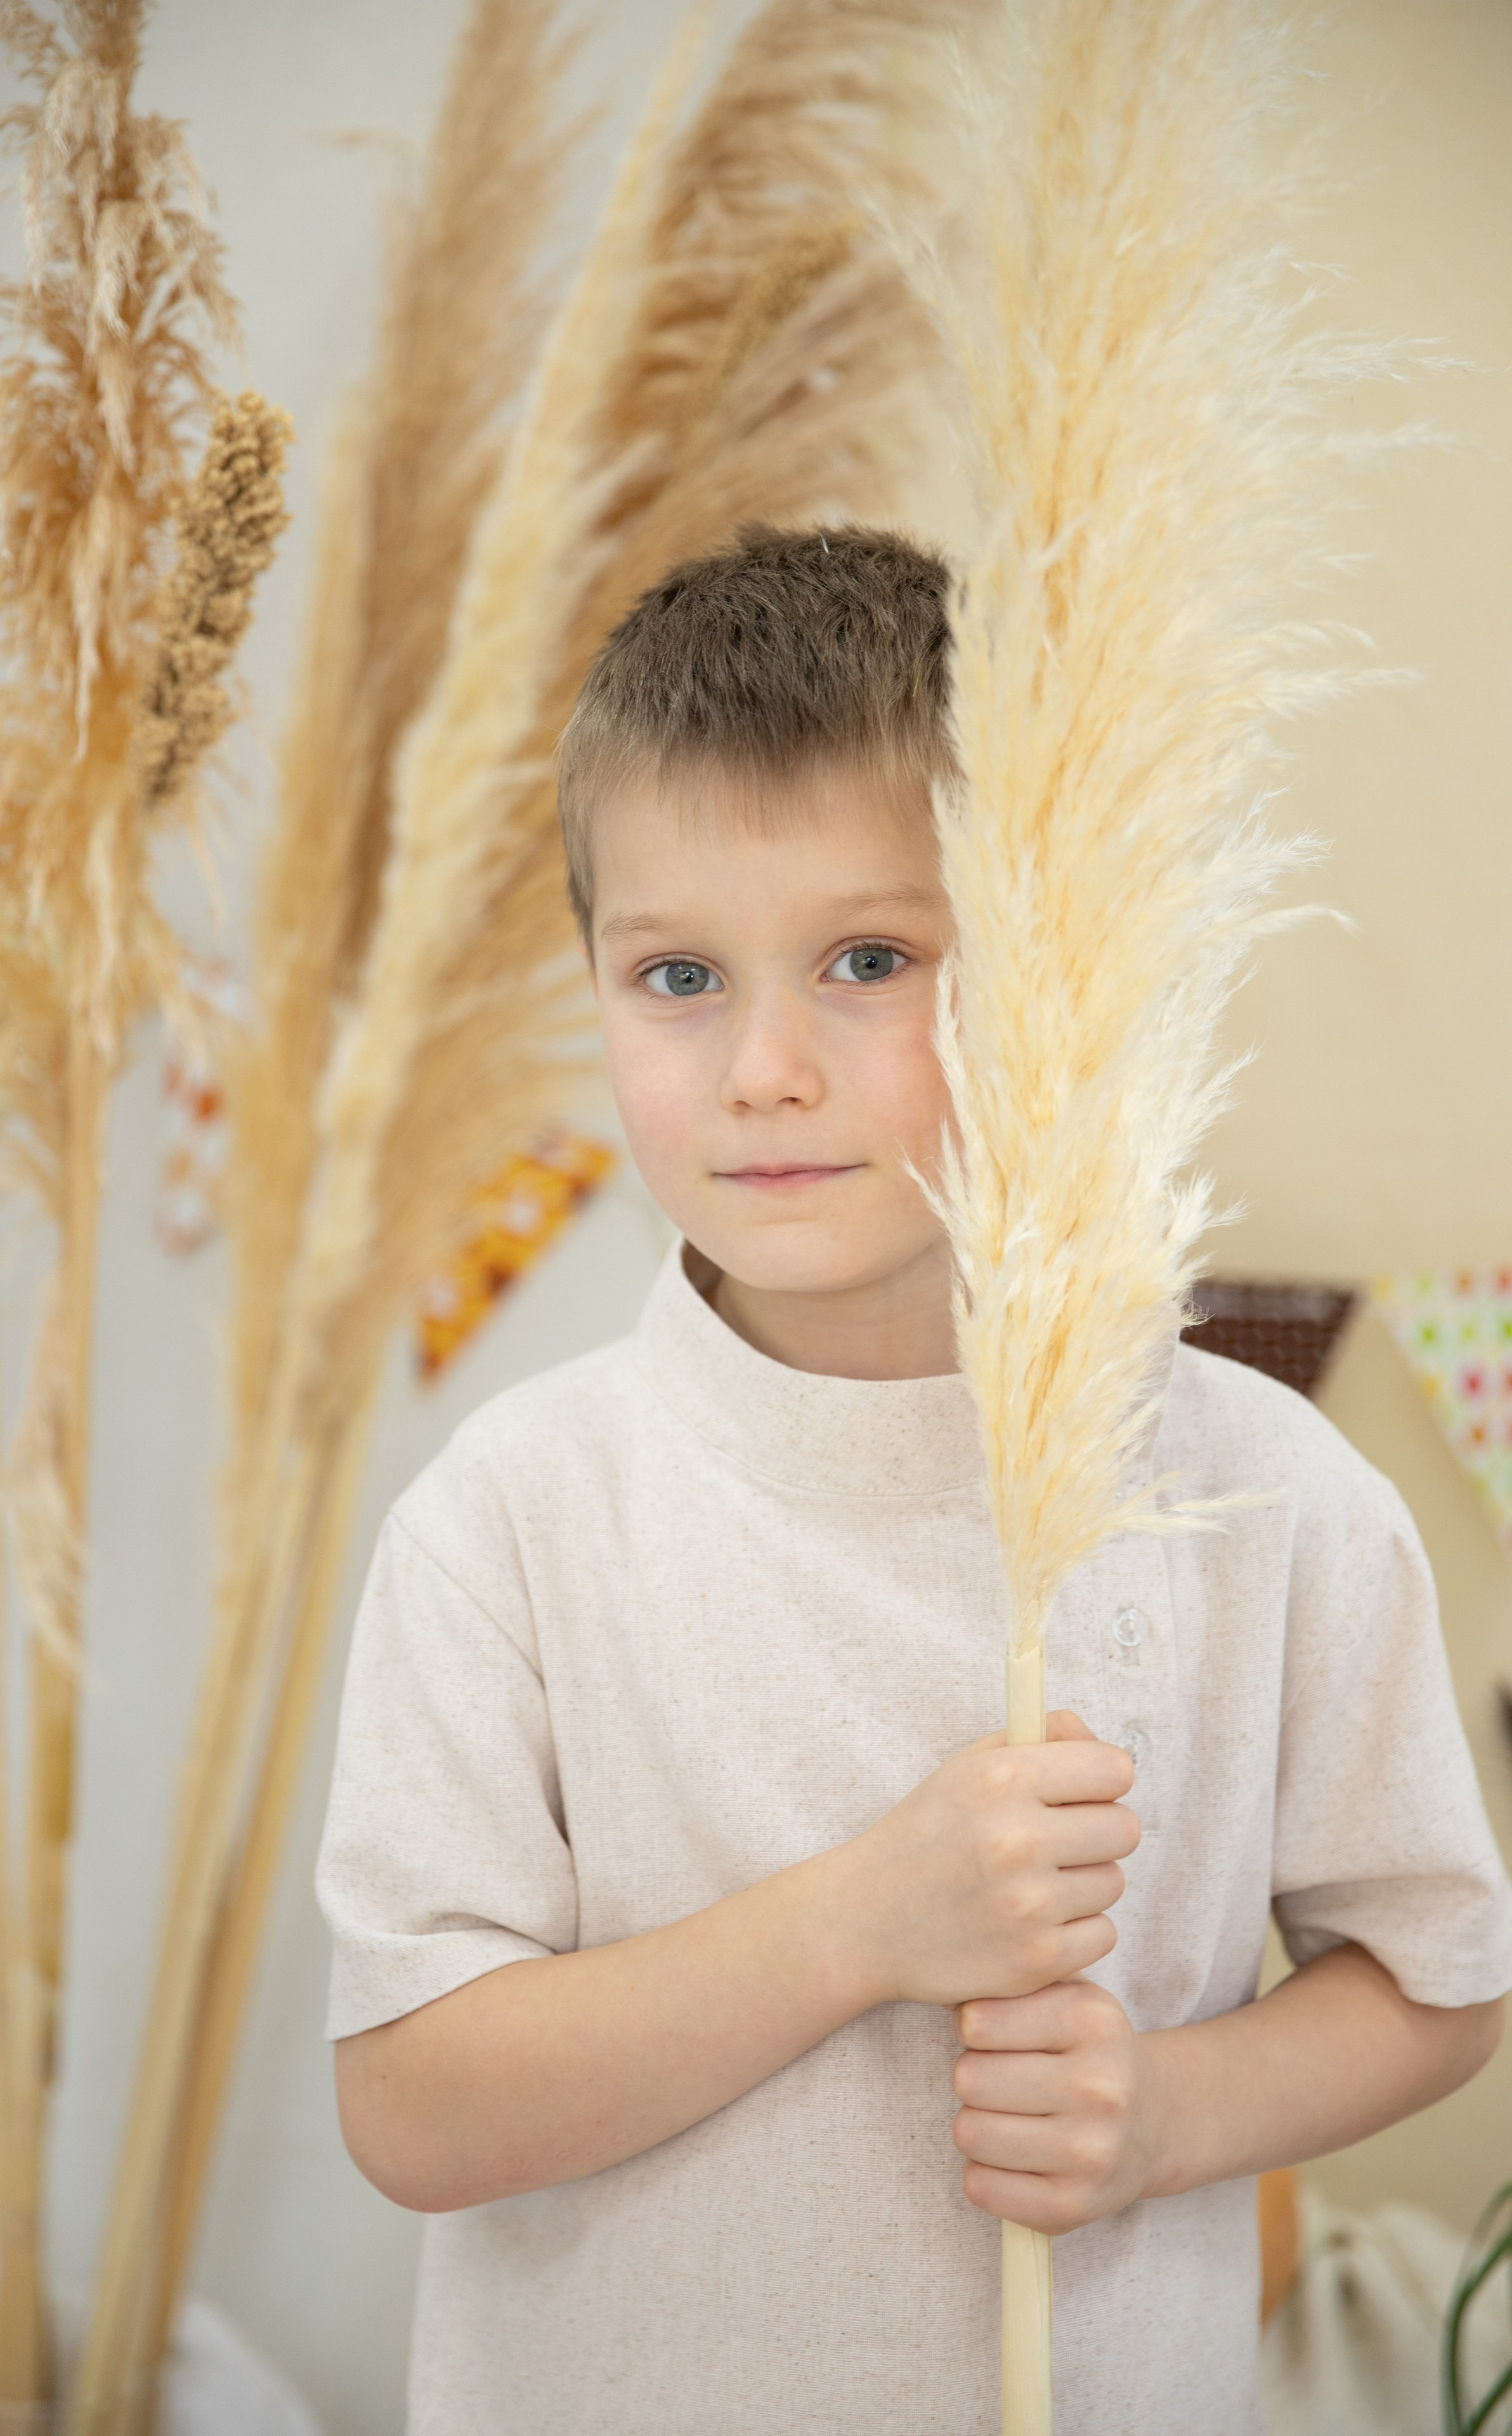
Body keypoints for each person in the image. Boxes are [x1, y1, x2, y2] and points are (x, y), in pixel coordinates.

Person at [316, 525, 1512, 2435]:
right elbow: (413, 2109)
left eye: (870, 960)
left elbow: (1443, 1983)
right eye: (679, 975)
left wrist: (1173, 2113)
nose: (765, 1066)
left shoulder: (1258, 1493)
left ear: (1049, 968)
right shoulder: (511, 1522)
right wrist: (864, 1924)